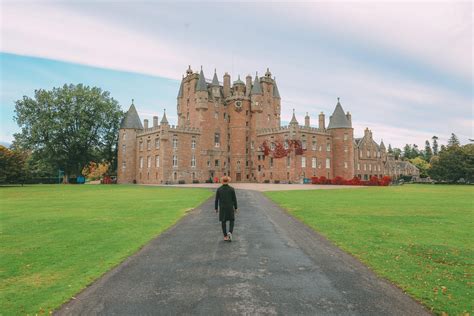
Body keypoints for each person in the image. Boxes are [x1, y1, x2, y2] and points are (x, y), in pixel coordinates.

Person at [214, 176, 238, 241]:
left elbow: (216, 200)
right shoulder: (232, 189)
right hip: (230, 207)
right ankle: (230, 232)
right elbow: (234, 199)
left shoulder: (219, 189)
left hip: (222, 207)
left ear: (222, 181)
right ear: (228, 181)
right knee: (231, 220)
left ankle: (225, 236)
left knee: (223, 221)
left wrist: (216, 208)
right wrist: (236, 207)